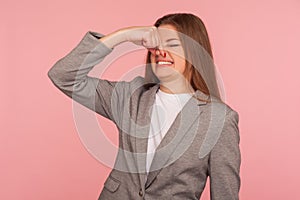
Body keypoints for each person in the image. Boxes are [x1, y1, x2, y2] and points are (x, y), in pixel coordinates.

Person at [48, 13, 241, 200]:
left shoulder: (220, 118)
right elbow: (63, 76)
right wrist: (123, 36)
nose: (160, 51)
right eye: (156, 45)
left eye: (172, 44)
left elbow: (225, 193)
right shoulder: (130, 96)